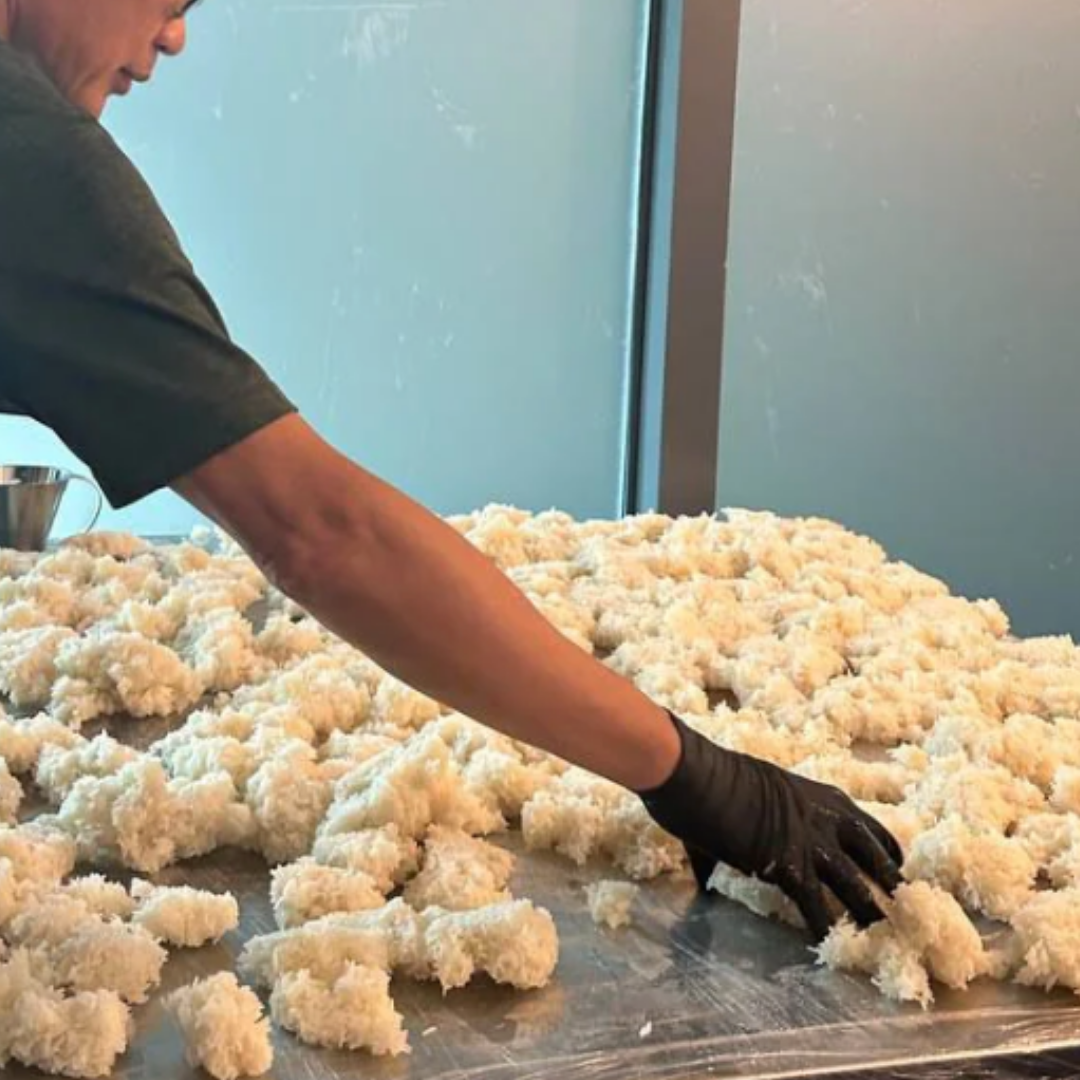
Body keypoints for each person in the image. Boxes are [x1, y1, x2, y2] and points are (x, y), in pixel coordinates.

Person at [0, 0, 903, 940]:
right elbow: (324, 533)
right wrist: (699, 776)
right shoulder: (33, 156)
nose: (176, 35)